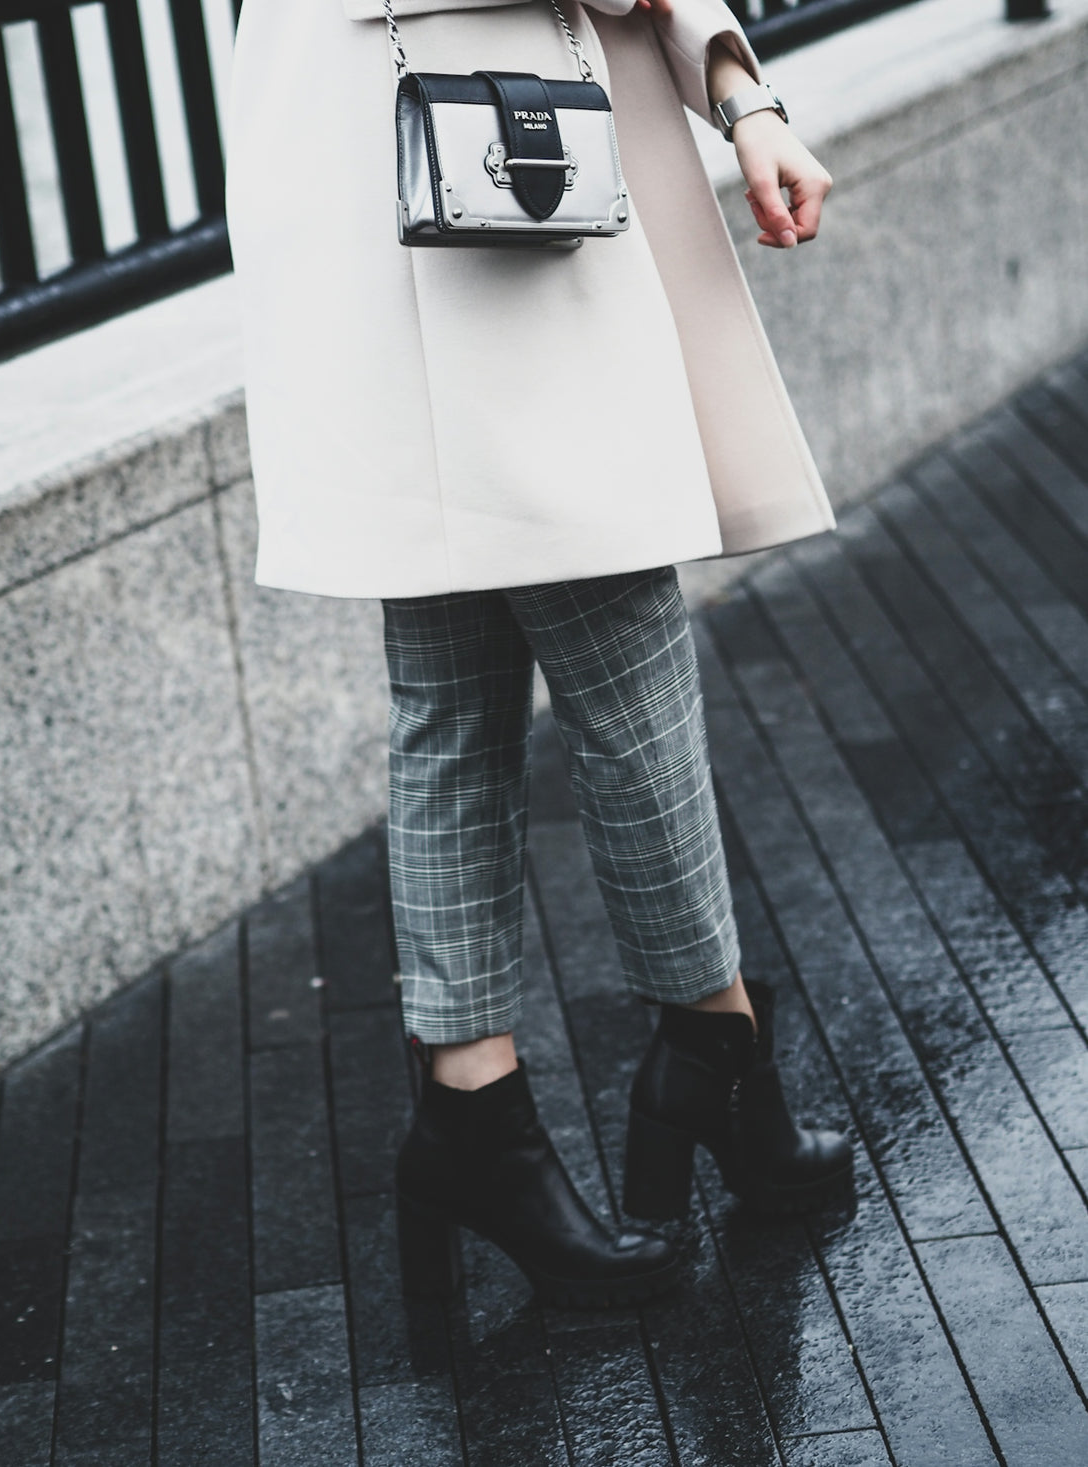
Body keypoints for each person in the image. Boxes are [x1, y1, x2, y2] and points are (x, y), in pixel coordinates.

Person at [226, 0, 853, 1309]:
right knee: (619, 662)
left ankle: (475, 1117)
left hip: (467, 165)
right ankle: (710, 1056)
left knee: (454, 705)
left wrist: (742, 96)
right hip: (459, 166)